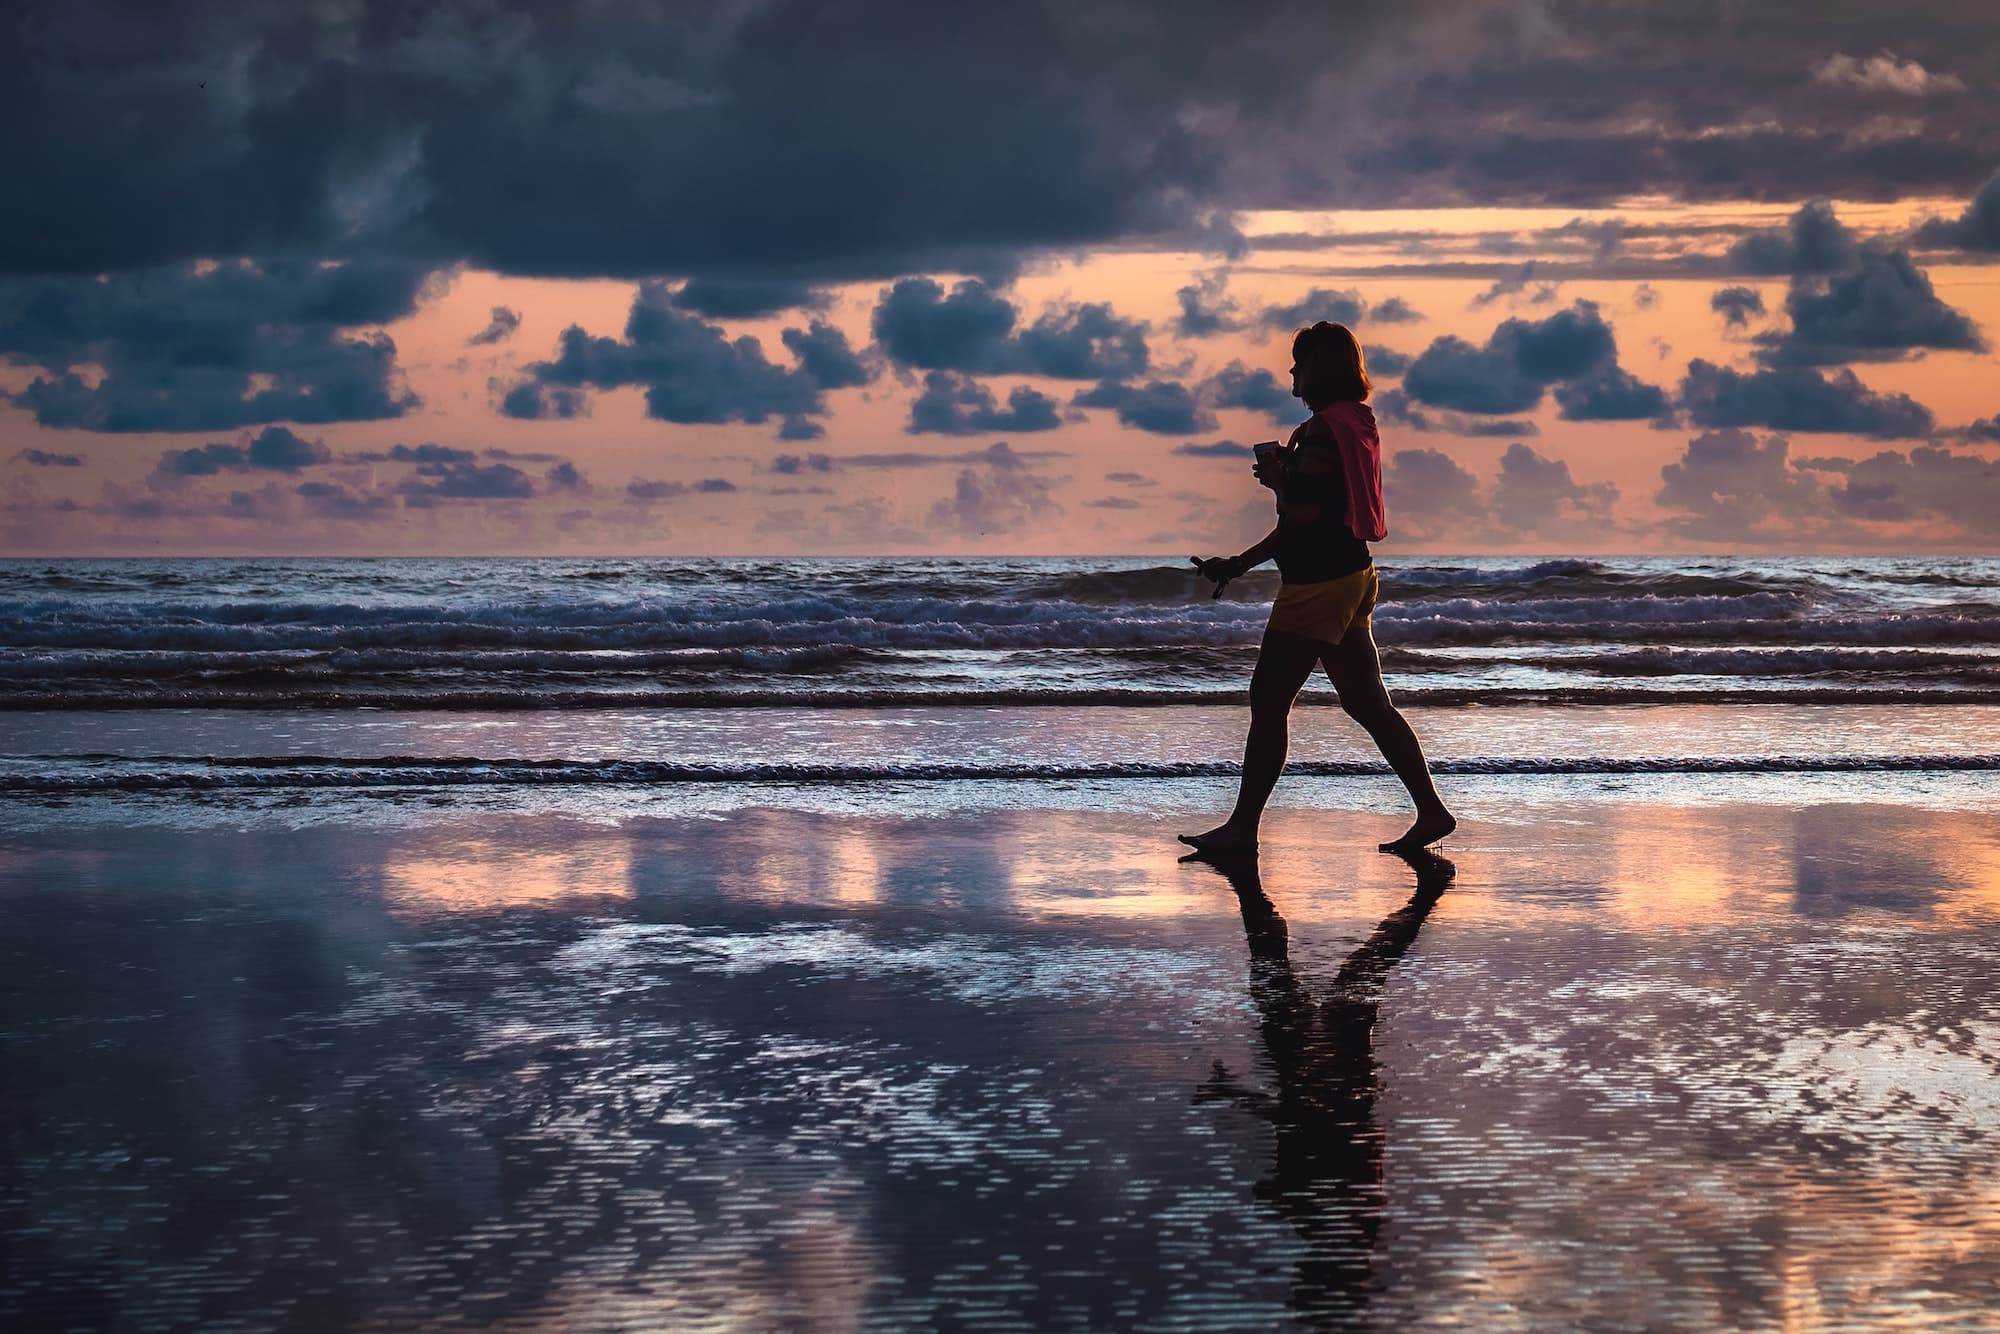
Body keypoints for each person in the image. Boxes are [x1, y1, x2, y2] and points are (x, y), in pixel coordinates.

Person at [1183, 321, 1455, 855]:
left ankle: (1241, 832)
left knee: (1268, 699)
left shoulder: (1319, 432)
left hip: (1317, 586)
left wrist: (1274, 489)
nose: (1292, 372)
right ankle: (1432, 812)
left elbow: (1303, 515)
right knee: (1369, 705)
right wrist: (1247, 549)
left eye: (1298, 363)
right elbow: (1318, 511)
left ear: (1319, 370)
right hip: (1354, 575)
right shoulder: (1355, 422)